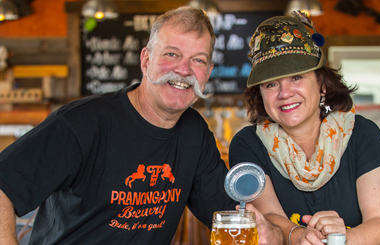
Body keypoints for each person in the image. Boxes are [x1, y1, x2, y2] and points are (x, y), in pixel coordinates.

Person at [0, 6, 283, 245]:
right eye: (171, 54)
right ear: (146, 60)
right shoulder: (81, 123)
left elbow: (229, 213)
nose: (184, 70)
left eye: (197, 60)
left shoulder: (194, 135)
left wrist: (277, 232)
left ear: (208, 73)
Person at [229, 11, 380, 245]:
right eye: (271, 84)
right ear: (261, 95)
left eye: (296, 77)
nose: (284, 93)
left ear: (322, 85)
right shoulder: (248, 144)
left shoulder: (363, 135)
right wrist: (300, 237)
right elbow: (269, 217)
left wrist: (342, 239)